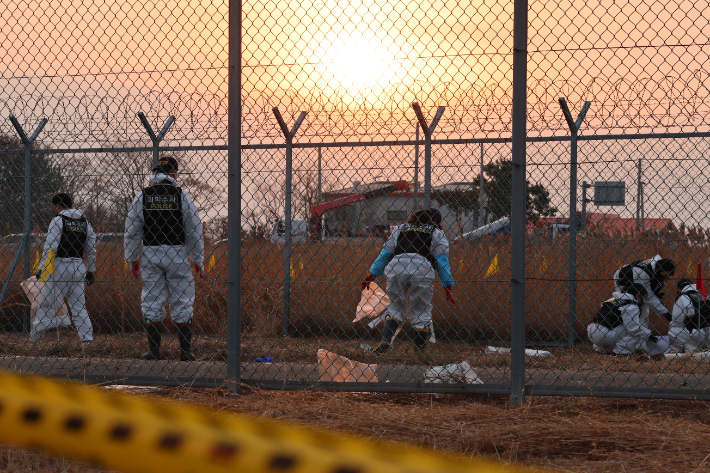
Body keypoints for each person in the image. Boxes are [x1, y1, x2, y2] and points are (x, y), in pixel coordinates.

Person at [124, 156, 205, 361]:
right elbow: (194, 230)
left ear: (155, 173)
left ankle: (153, 350)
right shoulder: (182, 196)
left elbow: (132, 231)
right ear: (174, 173)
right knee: (183, 300)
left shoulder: (142, 196)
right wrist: (198, 260)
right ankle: (185, 352)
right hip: (178, 252)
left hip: (151, 252)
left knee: (151, 300)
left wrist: (132, 258)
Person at [360, 208, 456, 363]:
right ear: (436, 221)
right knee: (421, 310)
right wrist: (448, 286)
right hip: (422, 268)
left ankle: (386, 339)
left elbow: (386, 253)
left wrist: (372, 274)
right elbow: (441, 260)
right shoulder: (436, 233)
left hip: (396, 266)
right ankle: (419, 351)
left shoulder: (400, 228)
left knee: (395, 306)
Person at [30, 193, 96, 343]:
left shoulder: (58, 220)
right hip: (79, 267)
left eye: (55, 207)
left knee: (46, 305)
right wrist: (91, 270)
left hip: (59, 266)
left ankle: (35, 340)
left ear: (58, 206)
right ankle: (87, 340)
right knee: (79, 307)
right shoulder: (84, 223)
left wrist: (42, 268)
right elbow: (91, 249)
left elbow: (50, 246)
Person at [587, 283, 656, 355]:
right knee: (636, 331)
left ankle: (600, 349)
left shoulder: (611, 300)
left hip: (591, 333)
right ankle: (621, 352)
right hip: (605, 336)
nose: (643, 301)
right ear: (638, 295)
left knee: (615, 324)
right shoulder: (630, 305)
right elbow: (633, 328)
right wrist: (647, 334)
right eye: (643, 297)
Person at [614, 255, 675, 322]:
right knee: (631, 306)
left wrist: (656, 293)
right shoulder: (643, 273)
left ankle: (641, 329)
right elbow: (648, 295)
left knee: (643, 310)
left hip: (637, 282)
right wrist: (665, 312)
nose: (667, 277)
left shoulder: (661, 271)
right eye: (666, 275)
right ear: (658, 269)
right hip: (624, 282)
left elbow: (655, 288)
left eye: (669, 275)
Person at [668, 279, 710, 353]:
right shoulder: (703, 296)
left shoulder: (682, 297)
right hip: (707, 333)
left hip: (692, 333)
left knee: (673, 329)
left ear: (678, 290)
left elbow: (677, 320)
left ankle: (683, 351)